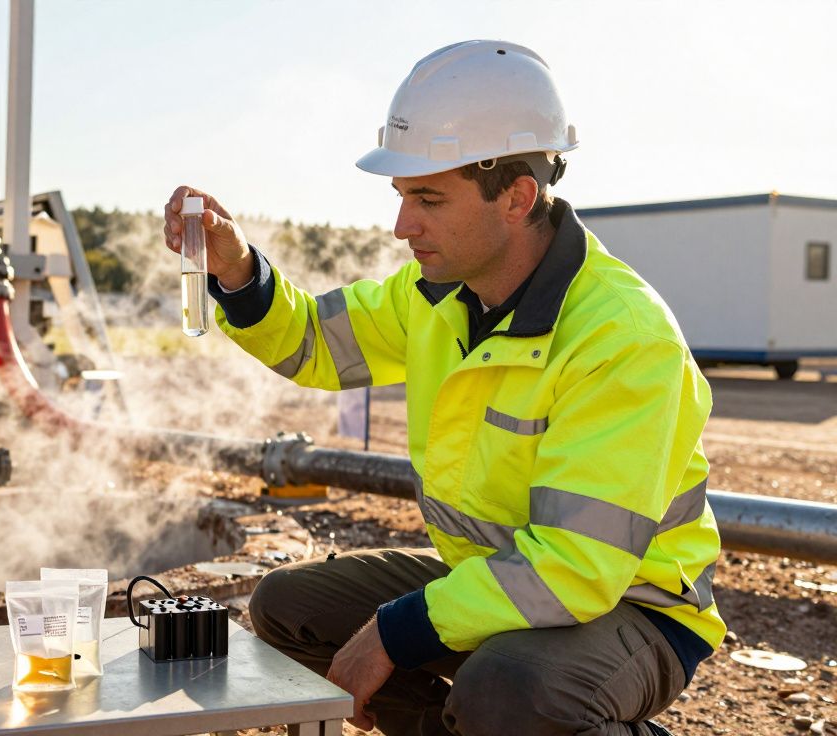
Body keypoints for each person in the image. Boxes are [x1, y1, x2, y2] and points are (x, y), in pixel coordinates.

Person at [163, 40, 724, 736]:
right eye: (402, 197)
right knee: (288, 608)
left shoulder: (622, 339)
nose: (403, 227)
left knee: (507, 694)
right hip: (495, 578)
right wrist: (239, 271)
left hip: (632, 604)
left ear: (517, 197)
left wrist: (392, 633)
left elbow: (577, 567)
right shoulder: (435, 293)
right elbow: (314, 343)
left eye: (428, 199)